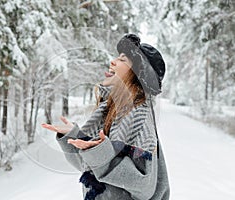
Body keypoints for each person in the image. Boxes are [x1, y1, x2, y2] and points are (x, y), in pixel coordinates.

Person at [41, 33, 170, 200]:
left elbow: (143, 186)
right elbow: (88, 165)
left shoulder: (137, 114)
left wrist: (99, 152)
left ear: (138, 74)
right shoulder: (109, 110)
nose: (113, 61)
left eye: (123, 60)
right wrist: (72, 135)